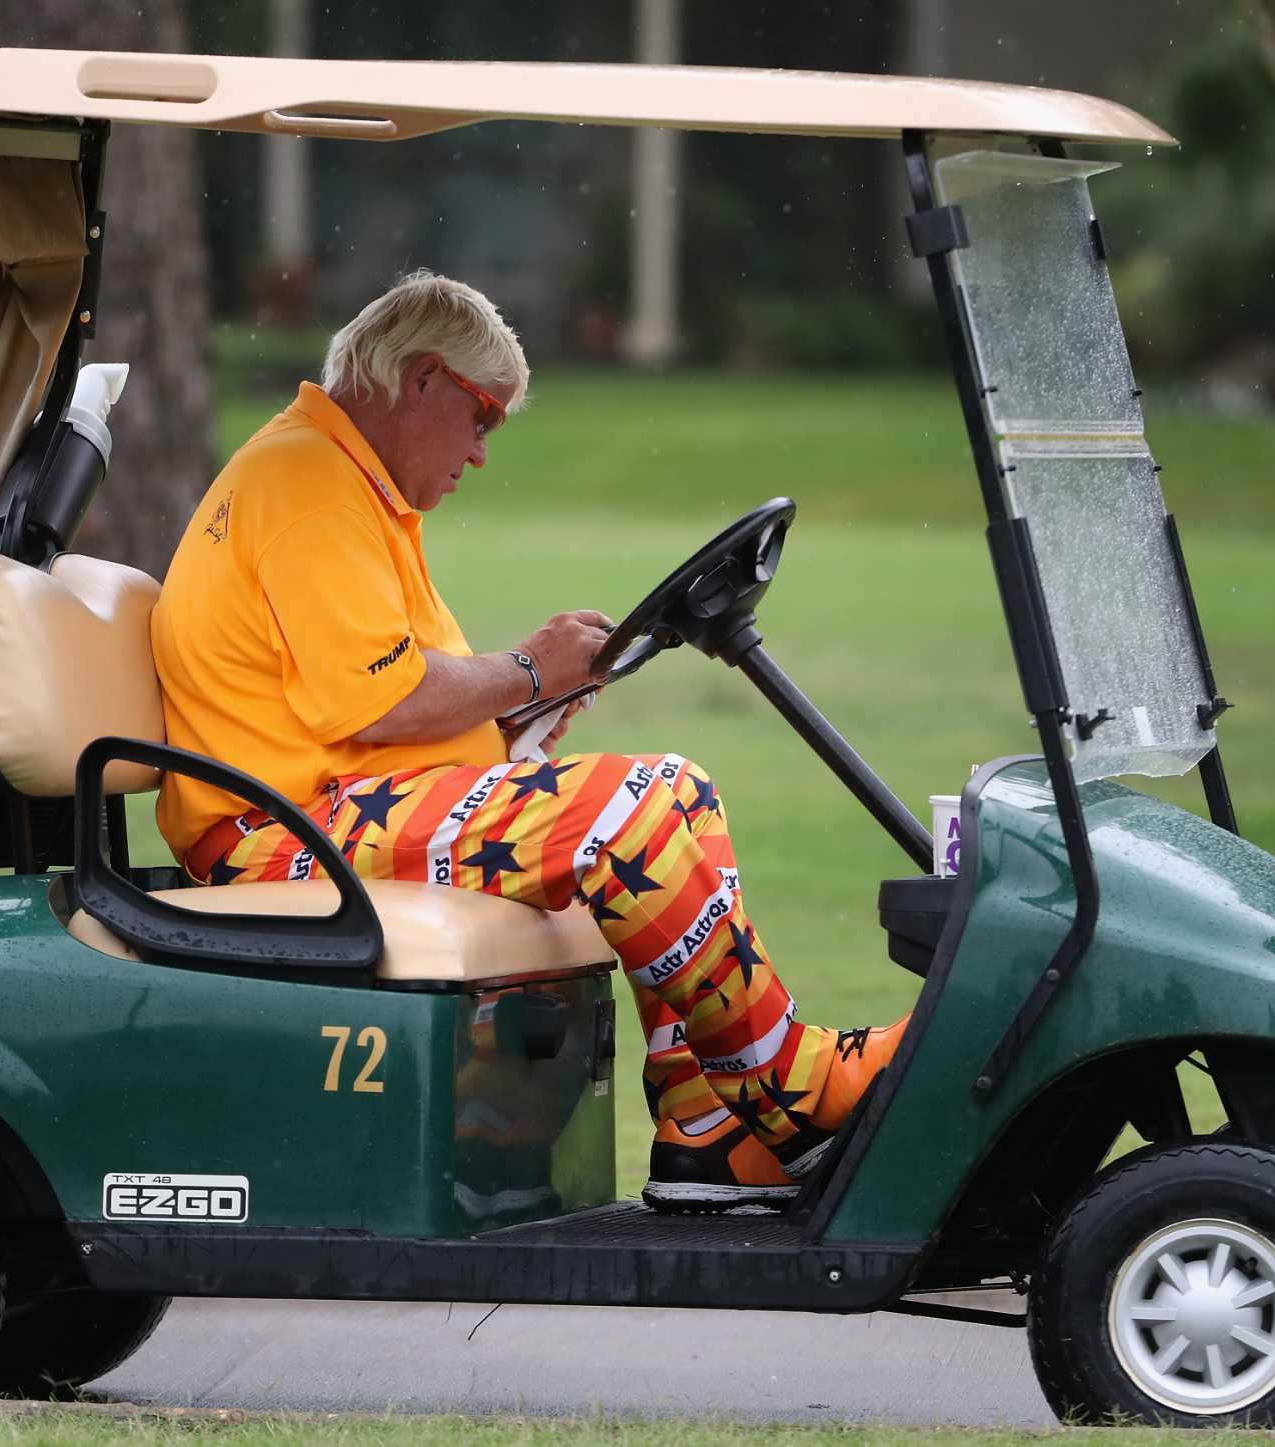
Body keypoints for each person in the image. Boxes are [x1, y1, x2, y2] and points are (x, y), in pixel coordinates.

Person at [151, 271, 909, 1210]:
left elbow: (377, 702)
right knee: (629, 813)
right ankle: (797, 1092)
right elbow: (377, 706)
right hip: (284, 840)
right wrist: (533, 670)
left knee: (680, 792)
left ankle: (706, 1129)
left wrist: (514, 713)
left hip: (328, 812)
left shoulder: (338, 479)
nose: (479, 453)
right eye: (483, 419)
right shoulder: (308, 486)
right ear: (421, 379)